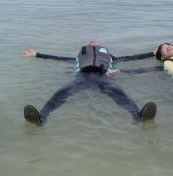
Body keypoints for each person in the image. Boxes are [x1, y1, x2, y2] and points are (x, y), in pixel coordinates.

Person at [21, 40, 157, 125]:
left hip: (102, 76)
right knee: (62, 93)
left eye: (95, 42)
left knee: (118, 93)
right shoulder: (78, 59)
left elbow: (132, 58)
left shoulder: (111, 58)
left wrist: (152, 53)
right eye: (90, 42)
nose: (92, 41)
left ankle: (138, 115)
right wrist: (37, 54)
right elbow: (57, 58)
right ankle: (42, 116)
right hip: (83, 76)